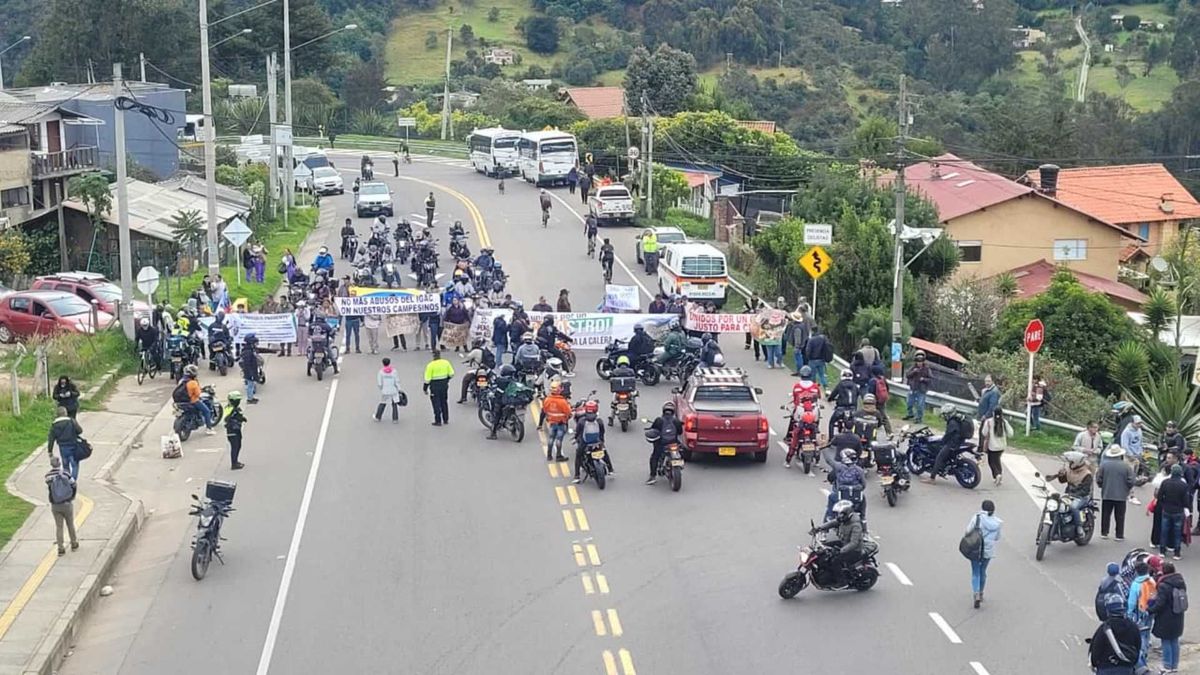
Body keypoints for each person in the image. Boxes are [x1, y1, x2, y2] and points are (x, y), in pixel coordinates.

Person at [1088, 586, 1142, 674]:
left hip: (1106, 668)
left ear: (1108, 610)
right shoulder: (1132, 627)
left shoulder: (1104, 628)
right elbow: (1138, 646)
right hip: (1126, 668)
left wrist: (1094, 664)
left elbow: (1095, 651)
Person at [1150, 561, 1187, 672]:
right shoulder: (1180, 581)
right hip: (1177, 615)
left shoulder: (1163, 585)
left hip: (1166, 618)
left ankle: (1167, 666)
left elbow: (1160, 603)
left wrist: (1150, 609)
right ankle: (1174, 666)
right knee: (1174, 640)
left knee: (1166, 641)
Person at [966, 499, 1002, 609]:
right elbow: (997, 538)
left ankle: (976, 592)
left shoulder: (977, 518)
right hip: (988, 550)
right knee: (983, 571)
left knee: (976, 571)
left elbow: (968, 531)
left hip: (976, 549)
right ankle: (981, 593)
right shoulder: (998, 523)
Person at [812, 500, 865, 573]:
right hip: (843, 543)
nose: (838, 516)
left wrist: (841, 551)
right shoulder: (843, 519)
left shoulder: (856, 526)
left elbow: (854, 543)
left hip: (853, 550)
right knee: (822, 550)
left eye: (841, 514)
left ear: (847, 514)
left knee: (835, 561)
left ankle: (841, 580)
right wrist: (819, 528)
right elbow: (832, 523)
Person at [1097, 445, 1136, 541]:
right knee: (1120, 516)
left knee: (1106, 514)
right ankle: (1119, 534)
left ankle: (1104, 532)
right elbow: (1131, 481)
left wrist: (1103, 486)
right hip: (1121, 495)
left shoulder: (1104, 465)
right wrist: (1127, 488)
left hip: (1107, 493)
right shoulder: (1126, 466)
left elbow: (1099, 479)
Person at [1126, 560, 1157, 671]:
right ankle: (1146, 650)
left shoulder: (1136, 584)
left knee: (1140, 635)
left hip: (1140, 613)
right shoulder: (1152, 581)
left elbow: (1132, 602)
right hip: (1150, 611)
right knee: (1147, 631)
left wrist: (1129, 613)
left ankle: (1142, 656)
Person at [44, 456, 78, 556]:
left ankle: (60, 548)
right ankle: (74, 543)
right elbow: (74, 484)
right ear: (59, 463)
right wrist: (72, 496)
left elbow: (49, 488)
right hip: (67, 503)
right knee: (70, 524)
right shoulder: (66, 473)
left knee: (59, 526)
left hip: (55, 505)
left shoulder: (48, 476)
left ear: (51, 464)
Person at [1052, 451, 1094, 530]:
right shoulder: (1070, 469)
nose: (1070, 463)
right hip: (1069, 494)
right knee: (1056, 505)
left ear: (1076, 462)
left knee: (1073, 507)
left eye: (1071, 462)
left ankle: (1079, 527)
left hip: (1082, 497)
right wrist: (1061, 475)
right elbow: (1063, 481)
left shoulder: (1087, 474)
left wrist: (1073, 494)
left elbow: (1085, 490)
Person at [573, 400, 613, 483]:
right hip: (597, 442)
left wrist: (577, 438)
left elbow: (578, 433)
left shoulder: (581, 421)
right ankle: (610, 469)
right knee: (604, 453)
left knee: (578, 456)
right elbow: (602, 432)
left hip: (585, 443)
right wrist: (601, 441)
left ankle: (577, 476)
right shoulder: (599, 421)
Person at [929, 404, 970, 484]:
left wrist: (942, 441)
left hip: (953, 443)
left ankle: (932, 478)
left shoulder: (952, 422)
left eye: (944, 414)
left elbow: (948, 435)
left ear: (948, 414)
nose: (944, 416)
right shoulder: (959, 419)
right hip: (961, 441)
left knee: (939, 457)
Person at [1157, 464, 1189, 559]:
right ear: (1180, 473)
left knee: (1164, 530)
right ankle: (1177, 553)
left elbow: (1159, 496)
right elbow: (1186, 501)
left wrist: (1163, 505)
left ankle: (1162, 550)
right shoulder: (1183, 485)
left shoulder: (1165, 482)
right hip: (1178, 511)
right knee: (1177, 532)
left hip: (1167, 509)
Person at [647, 402, 684, 485]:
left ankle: (652, 476)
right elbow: (680, 432)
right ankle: (680, 464)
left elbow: (654, 430)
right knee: (681, 451)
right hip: (674, 444)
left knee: (654, 457)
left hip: (662, 444)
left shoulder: (659, 420)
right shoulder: (676, 421)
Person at [825, 449, 867, 522]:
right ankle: (863, 517)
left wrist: (823, 449)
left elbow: (829, 461)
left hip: (841, 497)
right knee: (863, 499)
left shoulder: (839, 467)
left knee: (831, 497)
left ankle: (830, 517)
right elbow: (863, 485)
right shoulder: (859, 470)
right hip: (855, 498)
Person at [47, 405, 84, 480]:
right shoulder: (71, 421)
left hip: (62, 447)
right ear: (65, 413)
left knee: (65, 465)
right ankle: (73, 481)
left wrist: (50, 451)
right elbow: (80, 431)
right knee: (75, 464)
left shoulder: (54, 425)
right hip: (73, 445)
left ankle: (67, 480)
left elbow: (51, 439)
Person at [539, 381, 572, 462]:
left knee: (551, 438)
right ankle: (558, 456)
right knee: (559, 440)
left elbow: (545, 410)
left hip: (552, 422)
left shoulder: (547, 400)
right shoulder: (562, 401)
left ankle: (549, 455)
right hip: (561, 423)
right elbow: (568, 412)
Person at [979, 408, 1013, 486]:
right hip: (1002, 446)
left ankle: (997, 475)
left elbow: (984, 433)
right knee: (997, 460)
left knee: (992, 462)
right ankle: (999, 475)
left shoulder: (989, 422)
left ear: (993, 413)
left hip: (992, 446)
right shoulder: (1004, 422)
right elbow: (1011, 434)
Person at [423, 350, 454, 426]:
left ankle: (438, 420)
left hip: (434, 386)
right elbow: (451, 374)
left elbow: (427, 379)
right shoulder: (446, 363)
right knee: (444, 401)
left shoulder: (430, 365)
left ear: (433, 356)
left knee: (436, 403)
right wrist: (446, 380)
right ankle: (446, 419)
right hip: (444, 385)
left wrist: (425, 389)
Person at [826, 370, 860, 437]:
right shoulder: (855, 385)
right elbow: (858, 394)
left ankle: (831, 439)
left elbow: (833, 394)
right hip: (852, 409)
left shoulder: (840, 384)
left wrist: (830, 399)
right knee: (856, 423)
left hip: (841, 409)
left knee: (832, 423)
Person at [1121, 416, 1146, 504]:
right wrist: (1130, 455)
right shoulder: (1126, 432)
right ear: (1132, 423)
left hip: (1137, 456)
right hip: (1129, 457)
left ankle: (1128, 493)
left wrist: (1140, 453)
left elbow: (1140, 442)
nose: (1139, 425)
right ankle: (1130, 495)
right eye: (1137, 423)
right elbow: (1124, 445)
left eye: (1140, 423)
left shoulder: (1139, 431)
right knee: (1129, 476)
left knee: (1134, 475)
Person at [903, 351, 932, 423]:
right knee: (909, 402)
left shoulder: (927, 369)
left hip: (922, 389)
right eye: (918, 361)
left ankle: (919, 418)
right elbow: (907, 375)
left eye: (921, 360)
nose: (919, 362)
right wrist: (914, 372)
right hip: (913, 388)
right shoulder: (913, 367)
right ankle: (910, 414)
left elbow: (930, 379)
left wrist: (923, 379)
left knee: (920, 405)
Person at [375, 357, 404, 423]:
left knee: (382, 402)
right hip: (393, 390)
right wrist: (399, 389)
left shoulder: (381, 372)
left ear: (383, 363)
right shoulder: (394, 371)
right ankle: (395, 419)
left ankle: (378, 417)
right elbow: (397, 381)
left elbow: (379, 383)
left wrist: (381, 388)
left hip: (385, 390)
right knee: (394, 404)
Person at [224, 391, 247, 470]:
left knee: (238, 446)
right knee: (235, 447)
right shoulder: (229, 408)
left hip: (237, 430)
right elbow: (226, 419)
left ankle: (236, 461)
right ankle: (234, 464)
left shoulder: (234, 408)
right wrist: (236, 416)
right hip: (232, 431)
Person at [784, 310, 809, 375]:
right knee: (800, 358)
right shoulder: (802, 325)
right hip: (803, 345)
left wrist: (797, 346)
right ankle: (800, 371)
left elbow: (798, 338)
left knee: (798, 359)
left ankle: (799, 371)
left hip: (798, 346)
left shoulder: (797, 328)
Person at [239, 334, 262, 404]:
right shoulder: (248, 351)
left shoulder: (250, 349)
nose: (256, 344)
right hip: (249, 371)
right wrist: (250, 373)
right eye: (255, 343)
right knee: (250, 385)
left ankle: (251, 397)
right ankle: (249, 399)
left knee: (251, 385)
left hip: (251, 370)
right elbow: (247, 364)